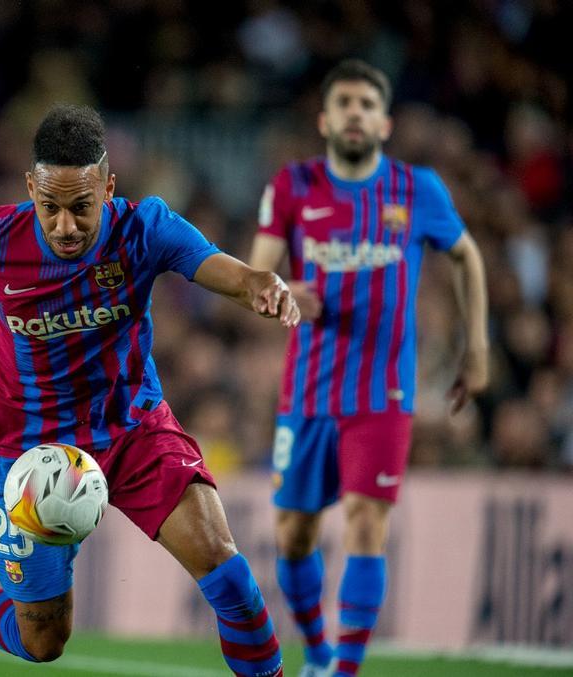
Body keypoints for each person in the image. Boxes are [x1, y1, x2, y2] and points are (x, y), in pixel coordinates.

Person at [0, 104, 297, 677]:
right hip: (29, 455)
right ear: (30, 189)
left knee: (230, 577)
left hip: (133, 429)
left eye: (82, 207)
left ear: (108, 187)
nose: (65, 226)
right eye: (51, 207)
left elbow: (220, 269)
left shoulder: (144, 228)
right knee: (43, 642)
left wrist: (259, 283)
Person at [247, 59, 489, 677]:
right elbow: (257, 274)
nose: (355, 113)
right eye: (344, 103)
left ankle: (345, 671)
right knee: (293, 535)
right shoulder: (293, 185)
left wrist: (477, 348)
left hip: (383, 393)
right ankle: (318, 652)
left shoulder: (417, 190)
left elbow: (466, 258)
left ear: (384, 123)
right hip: (306, 392)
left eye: (367, 105)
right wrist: (283, 292)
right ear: (324, 118)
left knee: (364, 520)